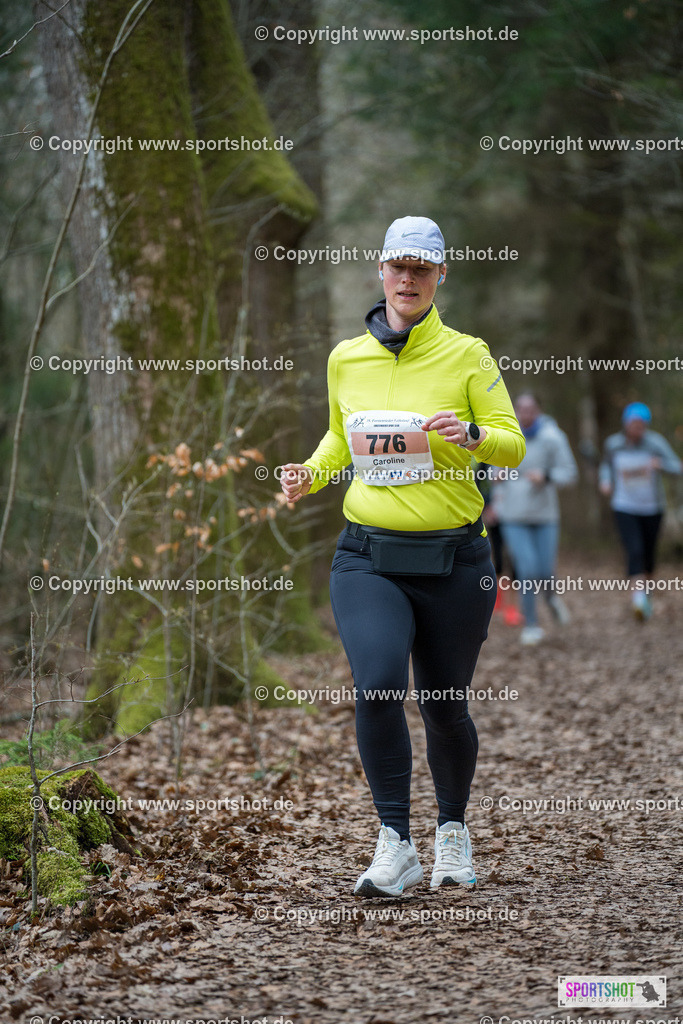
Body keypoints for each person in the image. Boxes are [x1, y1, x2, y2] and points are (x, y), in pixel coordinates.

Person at [280, 216, 525, 898]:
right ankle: (394, 842)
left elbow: (511, 444)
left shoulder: (468, 354)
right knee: (378, 683)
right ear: (379, 272)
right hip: (369, 558)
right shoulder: (345, 358)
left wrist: (472, 433)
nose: (408, 278)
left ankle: (451, 830)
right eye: (398, 266)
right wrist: (310, 471)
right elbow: (339, 438)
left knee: (444, 705)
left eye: (422, 267)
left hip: (453, 562)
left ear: (440, 275)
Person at [495, 393, 578, 645]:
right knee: (528, 569)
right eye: (520, 408)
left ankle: (551, 598)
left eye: (530, 409)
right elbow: (494, 474)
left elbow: (570, 474)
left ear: (539, 411)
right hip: (513, 515)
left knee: (544, 571)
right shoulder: (506, 436)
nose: (525, 413)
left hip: (545, 516)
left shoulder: (553, 438)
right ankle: (530, 624)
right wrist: (496, 489)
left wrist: (546, 476)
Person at [599, 402, 681, 620]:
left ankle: (647, 595)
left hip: (652, 507)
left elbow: (677, 466)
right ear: (625, 424)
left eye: (641, 425)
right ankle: (637, 599)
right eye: (633, 424)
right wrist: (605, 481)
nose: (637, 428)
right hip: (624, 505)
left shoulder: (655, 444)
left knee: (648, 555)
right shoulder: (614, 444)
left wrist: (660, 464)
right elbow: (605, 465)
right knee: (633, 550)